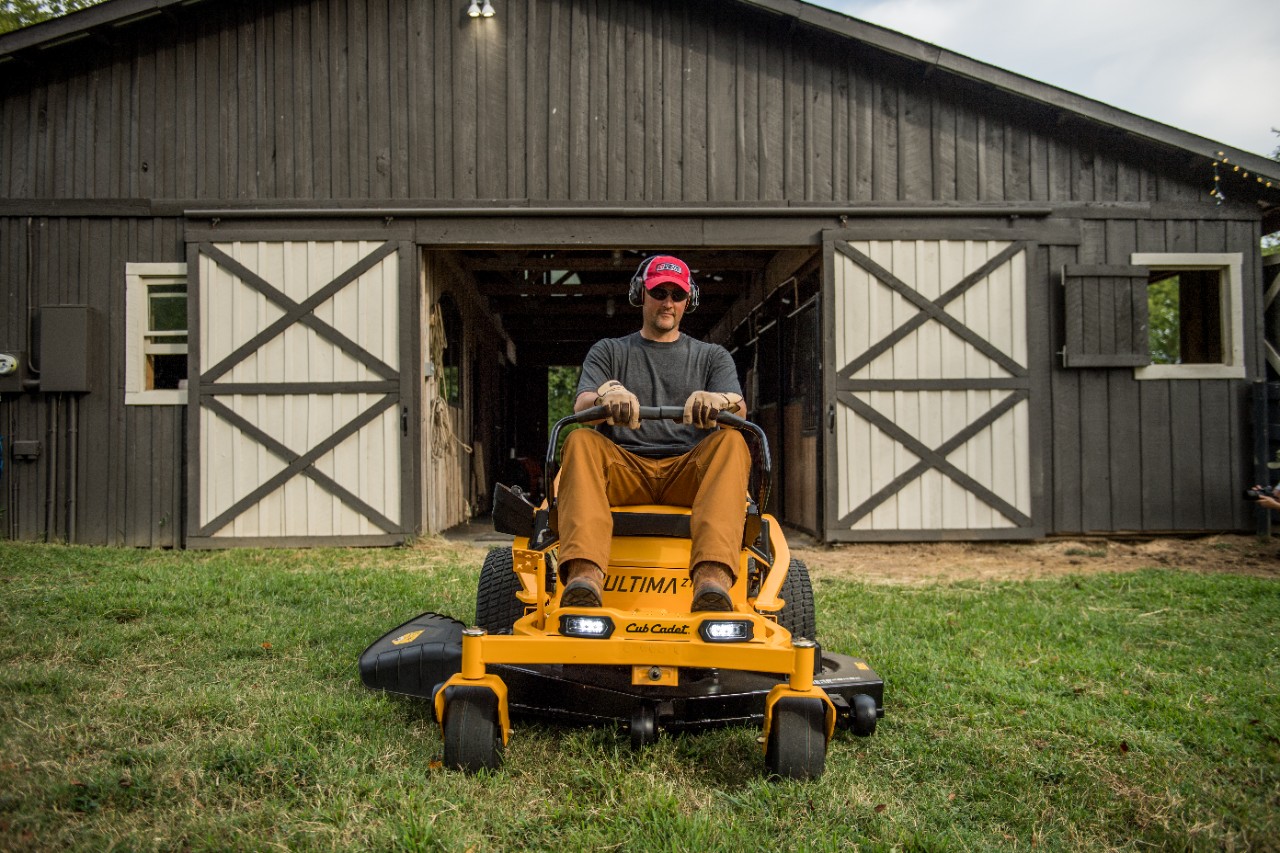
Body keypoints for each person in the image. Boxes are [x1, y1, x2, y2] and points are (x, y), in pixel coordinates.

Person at [555, 255, 749, 612]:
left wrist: (719, 400)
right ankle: (585, 579)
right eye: (659, 292)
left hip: (688, 473)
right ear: (640, 294)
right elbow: (582, 406)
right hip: (624, 471)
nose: (668, 302)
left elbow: (739, 409)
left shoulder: (712, 357)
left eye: (677, 294)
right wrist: (605, 396)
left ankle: (712, 582)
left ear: (689, 299)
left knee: (732, 441)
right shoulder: (609, 351)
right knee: (580, 440)